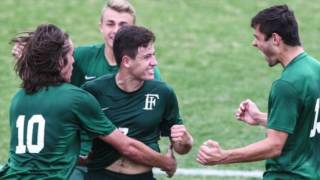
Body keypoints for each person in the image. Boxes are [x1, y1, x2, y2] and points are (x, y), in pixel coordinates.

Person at [0, 24, 176, 180]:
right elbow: (127, 147)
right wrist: (166, 162)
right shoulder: (76, 98)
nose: (74, 61)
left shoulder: (19, 98)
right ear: (60, 61)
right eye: (71, 55)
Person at [197, 4, 320, 179]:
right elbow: (306, 122)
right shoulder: (316, 69)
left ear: (276, 39)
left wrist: (222, 156)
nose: (254, 43)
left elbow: (274, 146)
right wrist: (261, 118)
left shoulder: (286, 84)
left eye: (258, 37)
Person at [82, 25, 193, 180]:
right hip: (99, 175)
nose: (154, 62)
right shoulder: (94, 91)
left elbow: (180, 147)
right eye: (147, 57)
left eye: (153, 55)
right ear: (126, 61)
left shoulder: (163, 93)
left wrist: (186, 141)